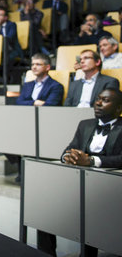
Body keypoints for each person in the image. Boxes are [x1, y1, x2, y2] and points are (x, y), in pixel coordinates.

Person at [38, 88, 122, 257]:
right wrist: (69, 157)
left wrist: (92, 161)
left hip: (110, 189)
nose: (98, 103)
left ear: (119, 108)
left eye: (105, 100)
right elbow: (69, 149)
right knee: (43, 213)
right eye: (98, 99)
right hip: (79, 186)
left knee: (91, 223)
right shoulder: (85, 124)